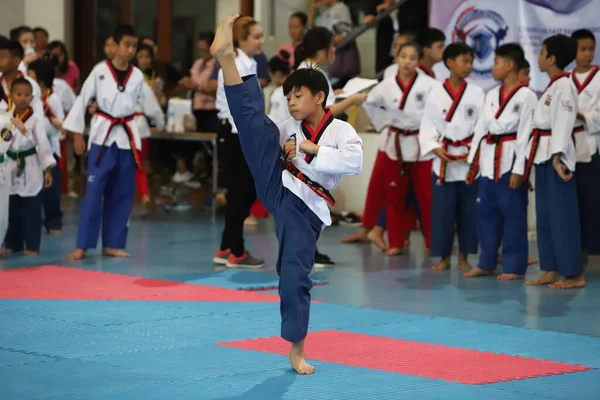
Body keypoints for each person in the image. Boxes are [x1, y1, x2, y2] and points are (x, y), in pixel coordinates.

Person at [210, 13, 362, 374]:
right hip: (278, 183)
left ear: (320, 97)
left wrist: (311, 150)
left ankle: (297, 348)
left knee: (293, 275)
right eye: (289, 96)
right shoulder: (289, 125)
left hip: (304, 208)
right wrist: (287, 146)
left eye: (299, 96)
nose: (292, 102)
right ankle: (227, 57)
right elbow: (263, 136)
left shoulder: (339, 130)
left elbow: (353, 161)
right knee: (254, 125)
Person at [63, 24, 144, 260]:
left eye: (134, 46)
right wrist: (77, 133)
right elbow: (82, 99)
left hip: (127, 139)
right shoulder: (99, 71)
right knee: (93, 192)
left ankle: (113, 243)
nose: (130, 50)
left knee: (123, 193)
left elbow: (140, 106)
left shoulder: (137, 76)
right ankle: (83, 245)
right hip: (102, 138)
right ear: (115, 45)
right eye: (126, 45)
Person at [463, 44, 536, 280]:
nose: (493, 67)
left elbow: (526, 135)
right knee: (485, 214)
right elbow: (480, 130)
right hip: (487, 161)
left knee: (513, 215)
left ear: (510, 65)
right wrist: (472, 162)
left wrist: (519, 170)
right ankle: (486, 262)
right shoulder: (491, 95)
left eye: (496, 62)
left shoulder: (527, 96)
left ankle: (514, 266)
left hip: (510, 161)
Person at [362, 41, 436, 256]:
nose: (407, 62)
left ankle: (433, 244)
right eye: (404, 57)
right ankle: (396, 242)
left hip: (421, 144)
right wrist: (384, 125)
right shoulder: (385, 85)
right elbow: (369, 103)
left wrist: (432, 133)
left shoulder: (429, 84)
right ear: (397, 58)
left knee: (426, 197)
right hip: (396, 144)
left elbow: (439, 110)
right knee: (394, 196)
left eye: (413, 58)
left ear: (418, 61)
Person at [523, 35, 585, 289]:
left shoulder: (565, 86)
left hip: (556, 157)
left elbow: (564, 122)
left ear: (552, 59)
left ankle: (573, 274)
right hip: (543, 154)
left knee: (563, 216)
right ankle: (551, 267)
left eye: (542, 52)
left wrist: (559, 157)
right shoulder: (552, 86)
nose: (538, 57)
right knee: (546, 215)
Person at [419, 42, 484, 271]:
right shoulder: (435, 92)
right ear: (449, 63)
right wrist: (435, 148)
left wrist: (472, 150)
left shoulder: (476, 92)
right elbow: (427, 126)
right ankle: (444, 257)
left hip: (467, 161)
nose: (469, 66)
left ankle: (465, 257)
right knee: (443, 212)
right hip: (443, 160)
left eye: (471, 61)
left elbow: (481, 126)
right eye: (464, 61)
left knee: (468, 211)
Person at [212, 16, 266, 268]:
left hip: (237, 132)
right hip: (235, 133)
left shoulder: (248, 62)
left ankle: (225, 246)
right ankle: (236, 250)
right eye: (256, 36)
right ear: (241, 40)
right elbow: (243, 104)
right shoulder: (237, 63)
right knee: (242, 191)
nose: (261, 41)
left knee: (241, 190)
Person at [2, 78, 55, 256]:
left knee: (32, 208)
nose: (23, 98)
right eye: (19, 94)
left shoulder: (37, 120)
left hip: (31, 164)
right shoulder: (5, 118)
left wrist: (47, 169)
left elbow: (43, 146)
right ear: (11, 96)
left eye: (26, 95)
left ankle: (32, 245)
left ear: (32, 97)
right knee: (11, 208)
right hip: (9, 165)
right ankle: (12, 243)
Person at [570, 29, 600, 266]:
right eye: (583, 49)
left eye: (591, 48)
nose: (588, 54)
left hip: (593, 147)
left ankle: (595, 250)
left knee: (594, 201)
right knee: (574, 202)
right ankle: (577, 249)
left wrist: (579, 113)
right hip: (569, 149)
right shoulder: (564, 79)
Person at [27, 59, 65, 235]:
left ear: (40, 80)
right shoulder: (28, 97)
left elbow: (56, 125)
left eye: (31, 75)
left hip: (49, 149)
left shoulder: (52, 98)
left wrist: (39, 125)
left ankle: (54, 222)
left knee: (51, 189)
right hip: (30, 149)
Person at [133, 48, 166, 216]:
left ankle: (144, 194)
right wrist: (161, 124)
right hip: (138, 128)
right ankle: (144, 194)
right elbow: (153, 109)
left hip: (133, 127)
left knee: (134, 165)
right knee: (139, 164)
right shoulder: (140, 80)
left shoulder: (135, 78)